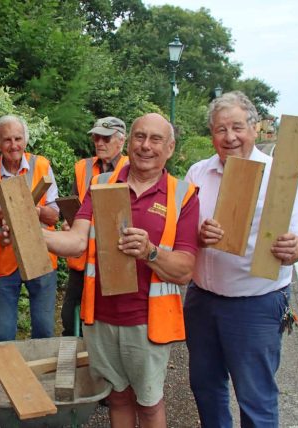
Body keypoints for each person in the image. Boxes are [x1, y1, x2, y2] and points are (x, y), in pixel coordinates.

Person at [35, 113, 200, 427]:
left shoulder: (183, 196)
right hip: (101, 317)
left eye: (155, 139)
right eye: (140, 136)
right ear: (129, 141)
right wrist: (34, 233)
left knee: (149, 405)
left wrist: (150, 252)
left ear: (170, 148)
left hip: (147, 322)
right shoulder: (100, 183)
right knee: (118, 398)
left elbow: (185, 270)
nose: (145, 146)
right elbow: (77, 240)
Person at [184, 91, 298, 427]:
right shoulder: (197, 173)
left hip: (255, 303)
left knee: (255, 397)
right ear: (211, 134)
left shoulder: (280, 175)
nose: (229, 137)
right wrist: (196, 236)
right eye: (220, 129)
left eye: (237, 127)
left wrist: (292, 249)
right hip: (202, 301)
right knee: (205, 388)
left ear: (254, 128)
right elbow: (179, 230)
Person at [0, 114, 60, 342]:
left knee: (44, 329)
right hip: (2, 262)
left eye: (18, 138)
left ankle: (41, 375)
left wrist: (35, 211)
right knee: (4, 334)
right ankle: (9, 375)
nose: (13, 145)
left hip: (40, 256)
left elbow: (54, 216)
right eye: (7, 140)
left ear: (25, 140)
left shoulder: (41, 165)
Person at [61, 116, 129, 337]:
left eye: (106, 138)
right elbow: (76, 204)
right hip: (82, 258)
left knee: (108, 322)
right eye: (96, 137)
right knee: (70, 319)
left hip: (115, 258)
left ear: (121, 140)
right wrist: (69, 223)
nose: (99, 142)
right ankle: (75, 366)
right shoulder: (83, 168)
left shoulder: (133, 168)